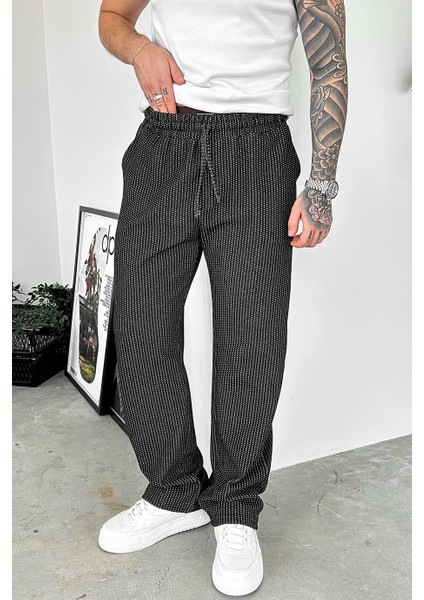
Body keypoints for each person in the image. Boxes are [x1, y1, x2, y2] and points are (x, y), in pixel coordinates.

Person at [97, 0, 348, 596]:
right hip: (164, 141)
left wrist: (320, 184)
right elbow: (111, 16)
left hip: (256, 149)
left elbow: (330, 62)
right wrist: (139, 49)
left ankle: (235, 507)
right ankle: (174, 492)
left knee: (252, 338)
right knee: (140, 324)